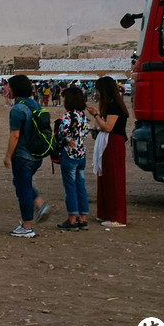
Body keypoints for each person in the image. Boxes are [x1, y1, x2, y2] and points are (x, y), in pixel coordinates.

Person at [4, 74, 50, 238]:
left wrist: (8, 155)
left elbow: (15, 135)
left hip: (23, 155)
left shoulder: (17, 109)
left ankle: (27, 226)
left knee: (22, 188)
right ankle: (39, 204)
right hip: (37, 154)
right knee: (21, 182)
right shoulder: (34, 104)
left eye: (9, 86)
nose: (7, 90)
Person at [88, 76, 129, 228]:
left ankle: (117, 216)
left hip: (113, 142)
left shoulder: (114, 107)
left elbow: (108, 127)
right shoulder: (112, 105)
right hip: (108, 142)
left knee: (114, 178)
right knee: (105, 177)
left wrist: (95, 115)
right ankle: (105, 213)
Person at [55, 86, 90, 231]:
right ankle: (83, 218)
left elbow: (62, 135)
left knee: (70, 188)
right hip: (81, 154)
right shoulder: (83, 116)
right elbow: (86, 132)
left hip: (69, 155)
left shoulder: (68, 117)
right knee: (81, 186)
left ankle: (72, 220)